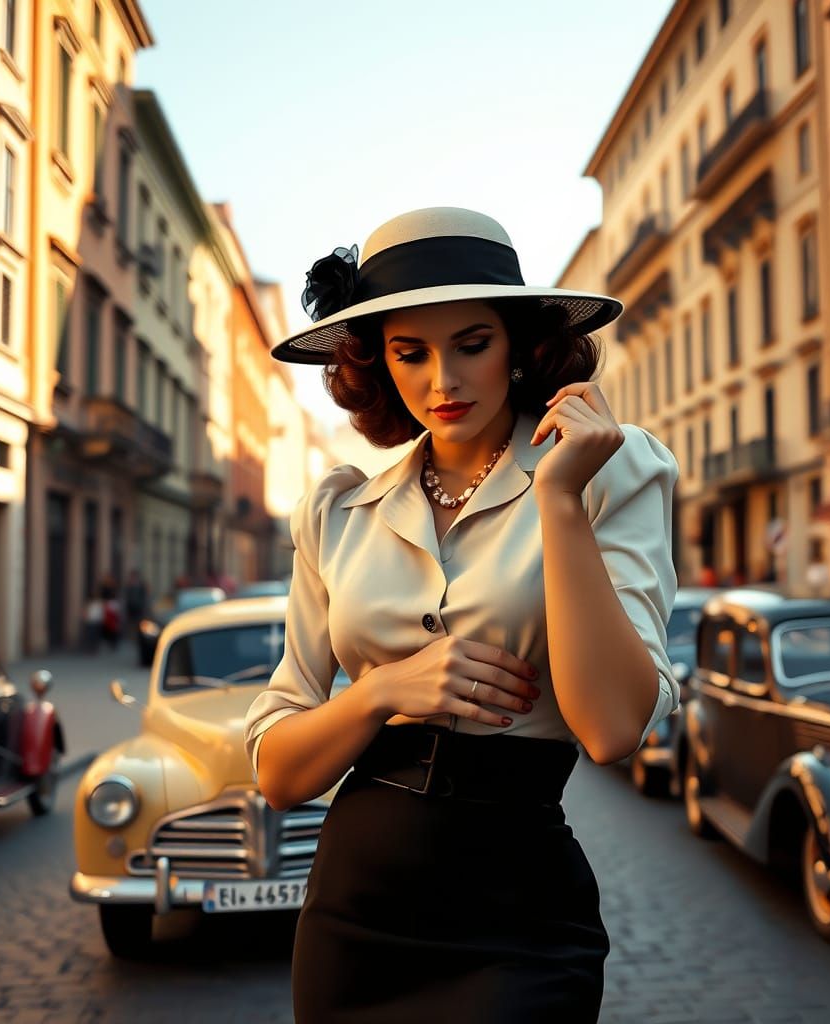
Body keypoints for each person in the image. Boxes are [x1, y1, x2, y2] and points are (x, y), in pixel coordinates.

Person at [244, 207, 679, 1022]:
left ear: (519, 345)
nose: (443, 381)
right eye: (411, 353)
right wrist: (382, 692)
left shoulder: (611, 472)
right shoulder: (338, 513)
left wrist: (558, 500)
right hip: (354, 920)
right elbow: (278, 770)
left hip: (519, 916)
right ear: (379, 365)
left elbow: (615, 727)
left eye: (472, 344)